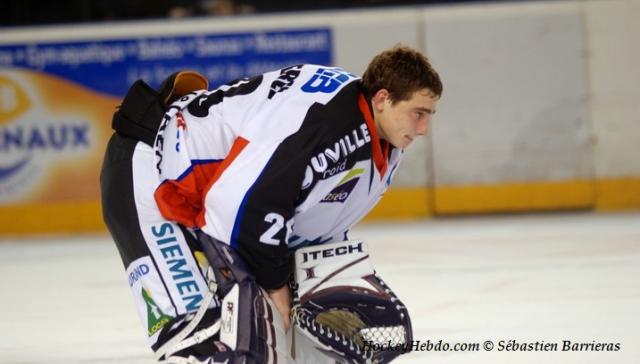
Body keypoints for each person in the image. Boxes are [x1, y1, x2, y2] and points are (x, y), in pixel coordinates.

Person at [100, 45, 443, 362]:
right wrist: (278, 290)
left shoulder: (381, 139)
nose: (425, 128)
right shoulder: (327, 123)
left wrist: (306, 280)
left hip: (203, 197)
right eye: (418, 113)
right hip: (149, 171)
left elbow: (299, 217)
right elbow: (239, 205)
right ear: (383, 98)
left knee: (285, 342)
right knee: (200, 340)